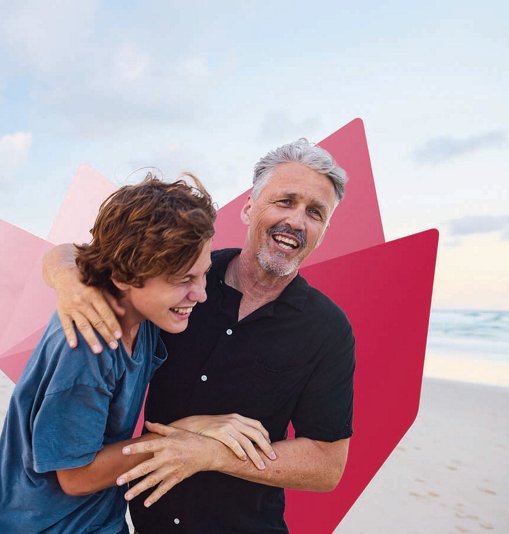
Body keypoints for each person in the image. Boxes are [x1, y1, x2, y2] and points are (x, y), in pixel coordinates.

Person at [43, 139, 355, 532]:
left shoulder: (328, 329)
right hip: (147, 523)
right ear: (248, 208)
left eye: (315, 212)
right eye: (285, 201)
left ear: (323, 231)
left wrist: (213, 454)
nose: (296, 220)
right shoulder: (186, 279)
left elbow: (327, 465)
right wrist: (67, 278)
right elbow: (91, 254)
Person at [0, 174, 276, 533]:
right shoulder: (88, 348)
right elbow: (76, 477)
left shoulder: (146, 310)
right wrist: (185, 432)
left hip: (100, 520)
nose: (200, 294)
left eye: (202, 275)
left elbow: (70, 253)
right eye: (184, 280)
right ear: (125, 275)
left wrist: (63, 273)